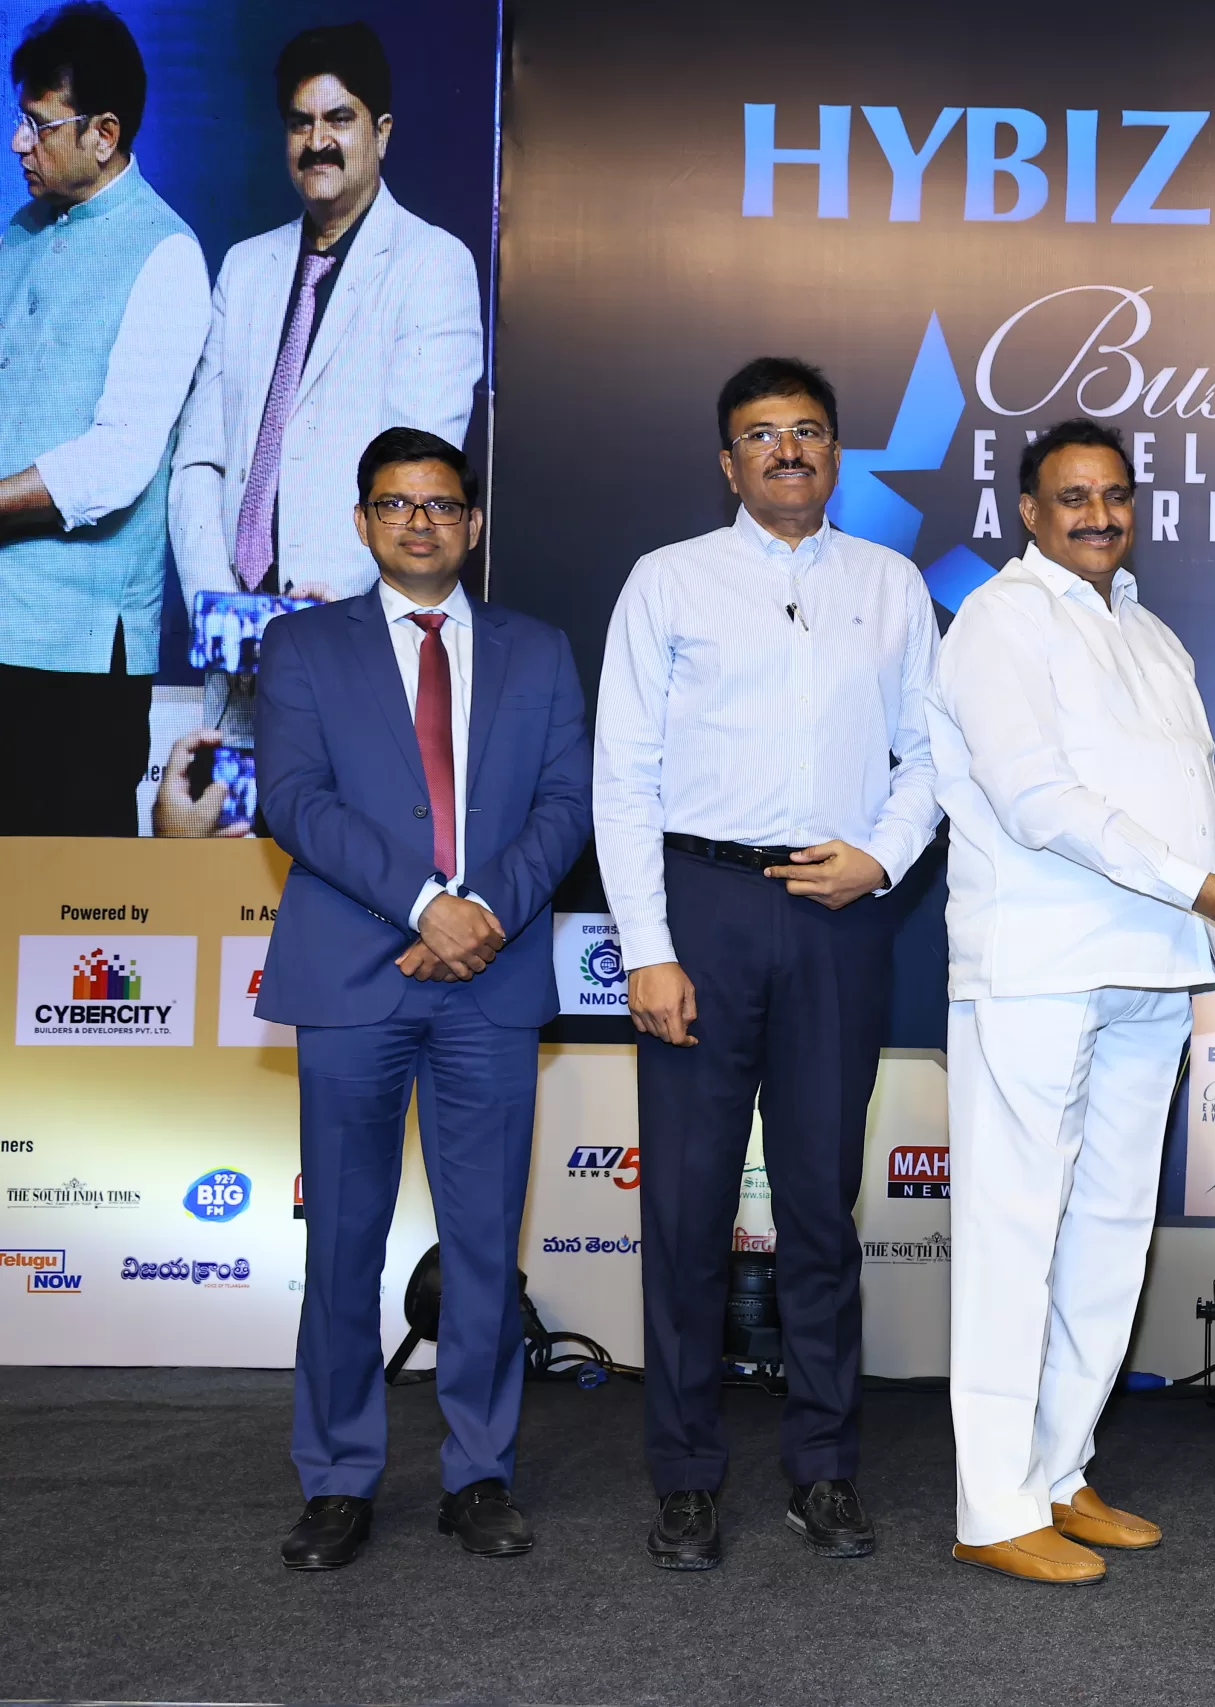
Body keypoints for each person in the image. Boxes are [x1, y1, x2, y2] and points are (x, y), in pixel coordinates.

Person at [932, 417, 1215, 1585]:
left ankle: (1059, 1470)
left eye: (1114, 495)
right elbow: (1037, 800)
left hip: (1154, 966)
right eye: (1072, 497)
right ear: (1028, 513)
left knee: (1106, 1231)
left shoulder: (1151, 635)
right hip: (1039, 963)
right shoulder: (999, 621)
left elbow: (1186, 804)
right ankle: (993, 1503)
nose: (1098, 515)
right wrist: (1203, 888)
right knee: (1013, 1229)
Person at [594, 356, 943, 1570]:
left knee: (820, 1209)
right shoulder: (669, 579)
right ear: (727, 462)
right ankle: (687, 1477)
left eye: (807, 430)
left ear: (835, 453)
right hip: (701, 909)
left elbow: (930, 755)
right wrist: (647, 950)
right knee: (686, 1211)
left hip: (838, 912)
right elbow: (622, 775)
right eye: (761, 434)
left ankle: (824, 1468)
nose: (787, 449)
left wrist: (882, 858)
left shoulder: (891, 584)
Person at [255, 427, 591, 1570]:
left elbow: (567, 803)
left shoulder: (539, 650)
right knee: (343, 1243)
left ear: (473, 524)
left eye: (440, 504)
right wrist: (421, 906)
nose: (418, 521)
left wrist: (478, 911)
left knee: (484, 1247)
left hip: (490, 976)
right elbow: (293, 801)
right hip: (354, 974)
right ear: (361, 522)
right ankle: (337, 1479)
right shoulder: (302, 646)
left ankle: (479, 1473)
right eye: (395, 504)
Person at [171, 21, 481, 606]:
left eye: (339, 119)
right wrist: (217, 604)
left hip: (348, 619)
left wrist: (331, 604)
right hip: (232, 622)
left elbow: (420, 470)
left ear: (381, 133)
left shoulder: (433, 265)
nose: (317, 141)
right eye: (300, 123)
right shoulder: (243, 268)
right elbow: (197, 461)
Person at [0, 3, 209, 835]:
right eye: (20, 121)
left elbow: (119, 459)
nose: (19, 143)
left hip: (78, 657)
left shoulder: (167, 253)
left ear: (105, 134)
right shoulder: (18, 234)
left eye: (39, 125)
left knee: (70, 898)